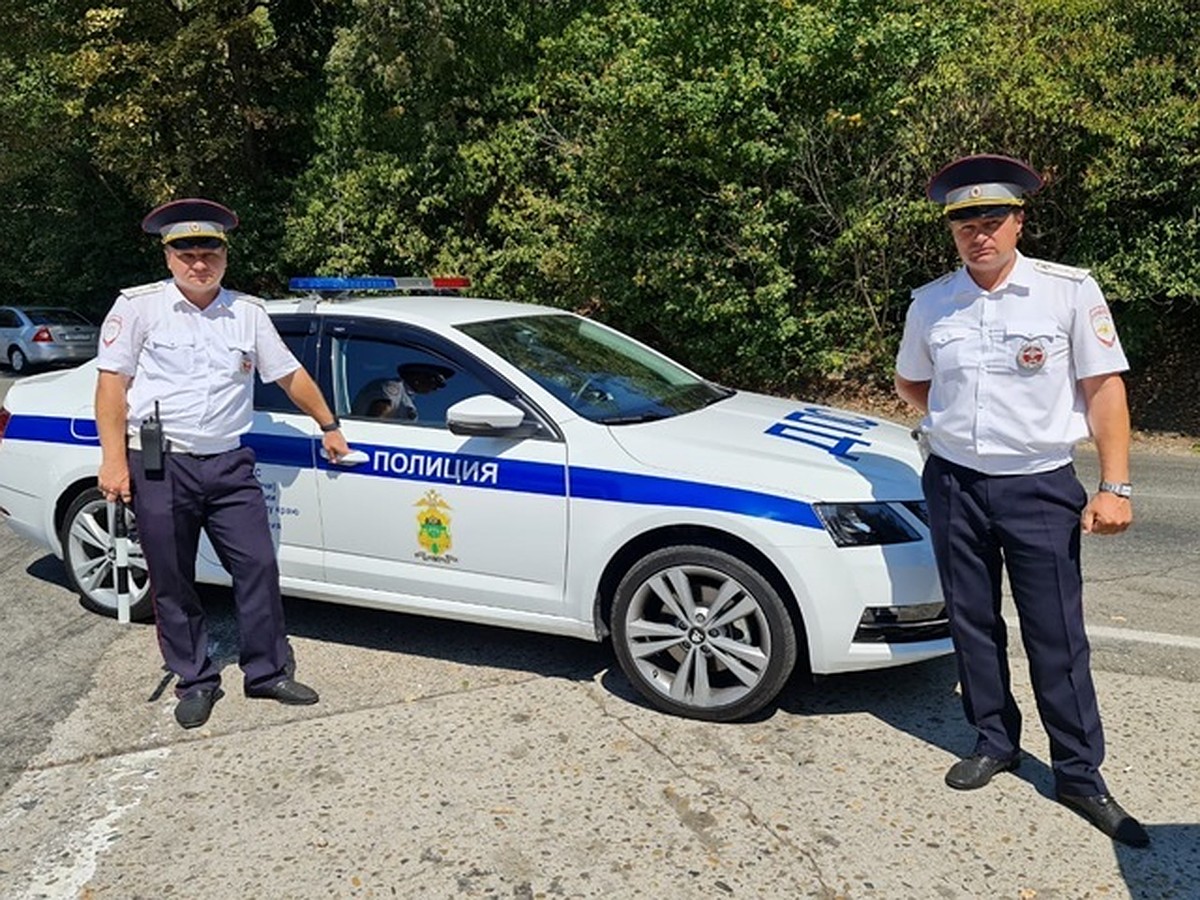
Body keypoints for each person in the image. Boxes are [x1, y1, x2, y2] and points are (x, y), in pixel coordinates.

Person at [894, 154, 1149, 848]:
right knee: (972, 624)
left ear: (1018, 221)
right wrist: (949, 431)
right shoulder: (932, 303)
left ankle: (1078, 773)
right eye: (963, 221)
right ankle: (993, 741)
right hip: (952, 482)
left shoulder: (1066, 293)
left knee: (1056, 637)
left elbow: (1104, 390)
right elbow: (914, 385)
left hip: (1037, 485)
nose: (978, 232)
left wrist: (1115, 485)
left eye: (991, 218)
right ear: (951, 230)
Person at [95, 198, 352, 730]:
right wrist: (114, 462)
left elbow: (288, 374)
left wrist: (329, 425)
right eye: (185, 251)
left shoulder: (247, 313)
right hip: (162, 464)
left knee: (257, 565)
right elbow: (111, 385)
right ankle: (195, 680)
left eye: (208, 250)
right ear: (167, 256)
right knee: (172, 578)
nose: (198, 261)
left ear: (224, 255)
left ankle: (266, 673)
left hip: (229, 463)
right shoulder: (138, 308)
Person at [351, 362, 453, 420]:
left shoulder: (406, 396)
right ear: (418, 377)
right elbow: (379, 418)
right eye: (434, 381)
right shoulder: (393, 388)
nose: (435, 388)